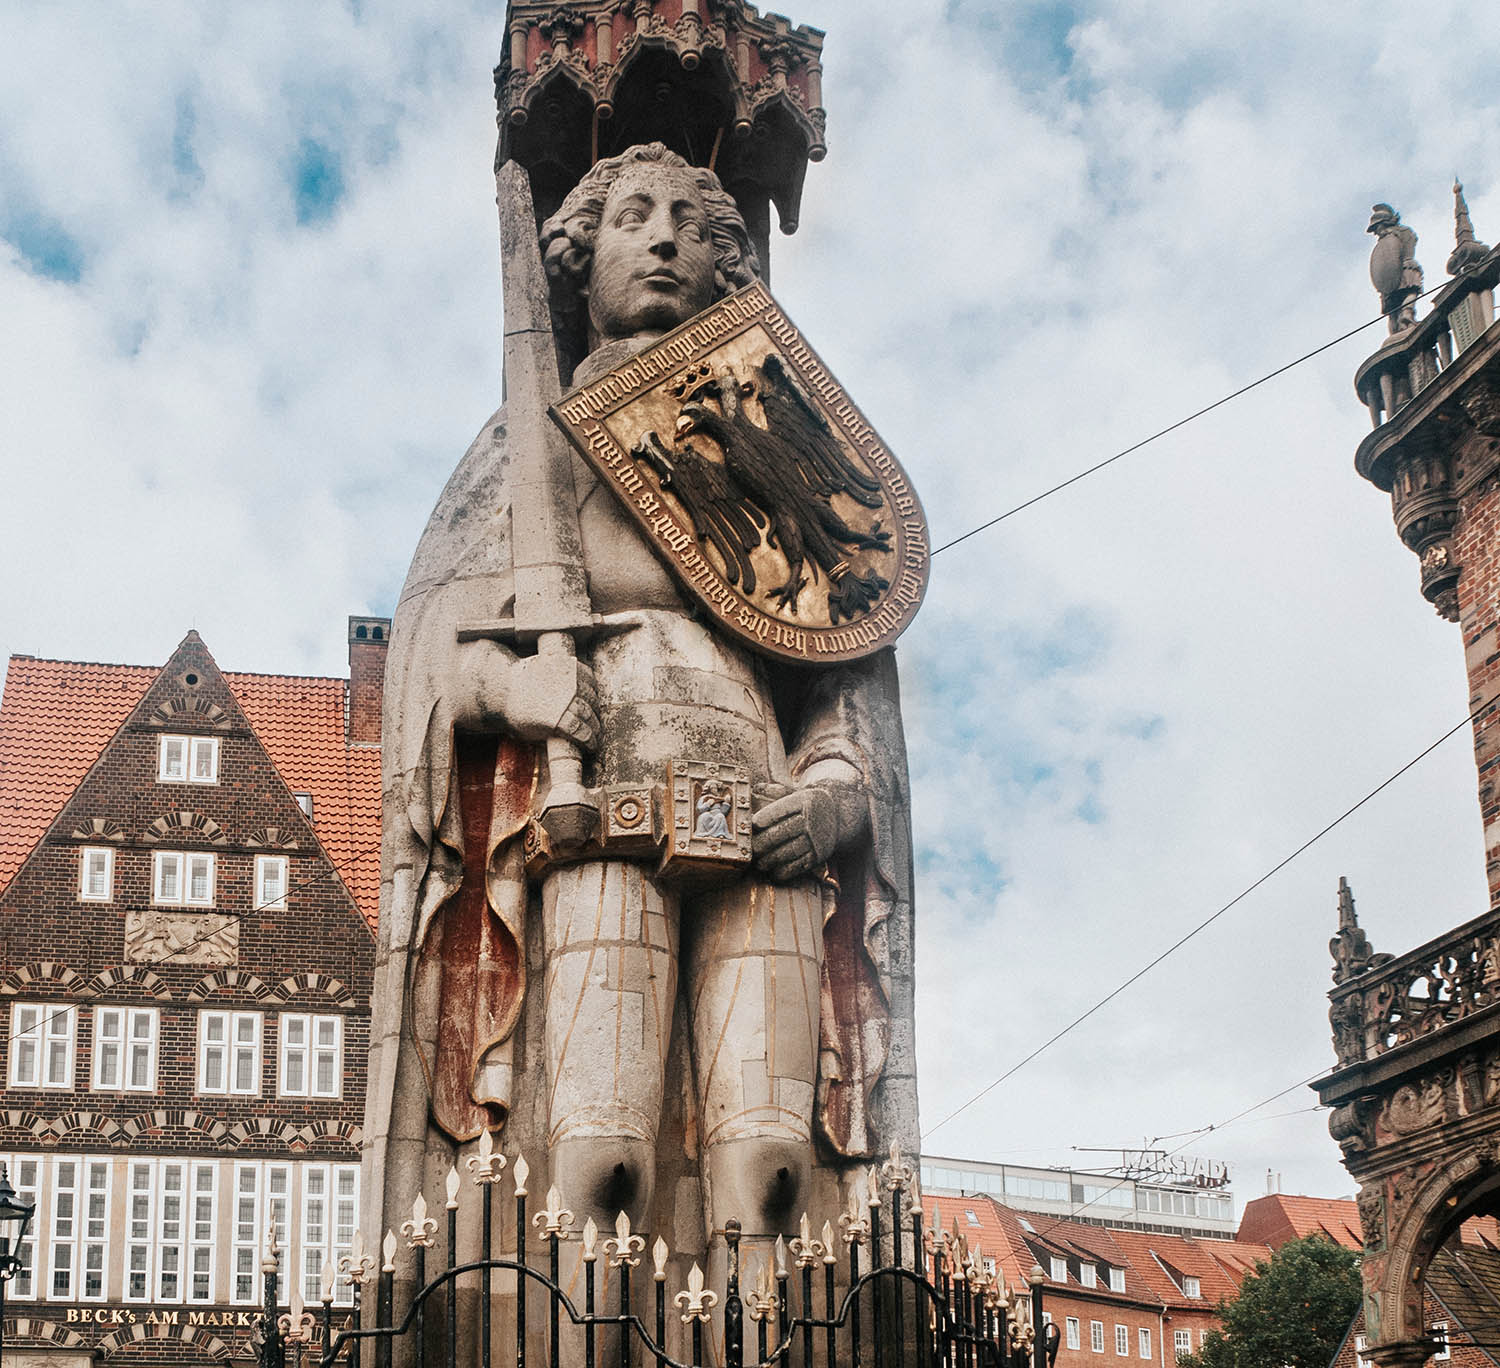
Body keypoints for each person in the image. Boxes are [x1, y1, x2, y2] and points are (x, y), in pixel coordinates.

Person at [364, 143, 914, 1300]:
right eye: (631, 216)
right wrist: (511, 693)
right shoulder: (535, 440)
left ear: (726, 264)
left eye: (689, 222)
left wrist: (831, 794)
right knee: (598, 1153)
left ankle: (766, 1332)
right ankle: (581, 1329)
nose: (662, 239)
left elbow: (844, 661)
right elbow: (429, 652)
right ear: (581, 256)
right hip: (600, 816)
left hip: (764, 813)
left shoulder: (772, 435)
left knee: (769, 1163)